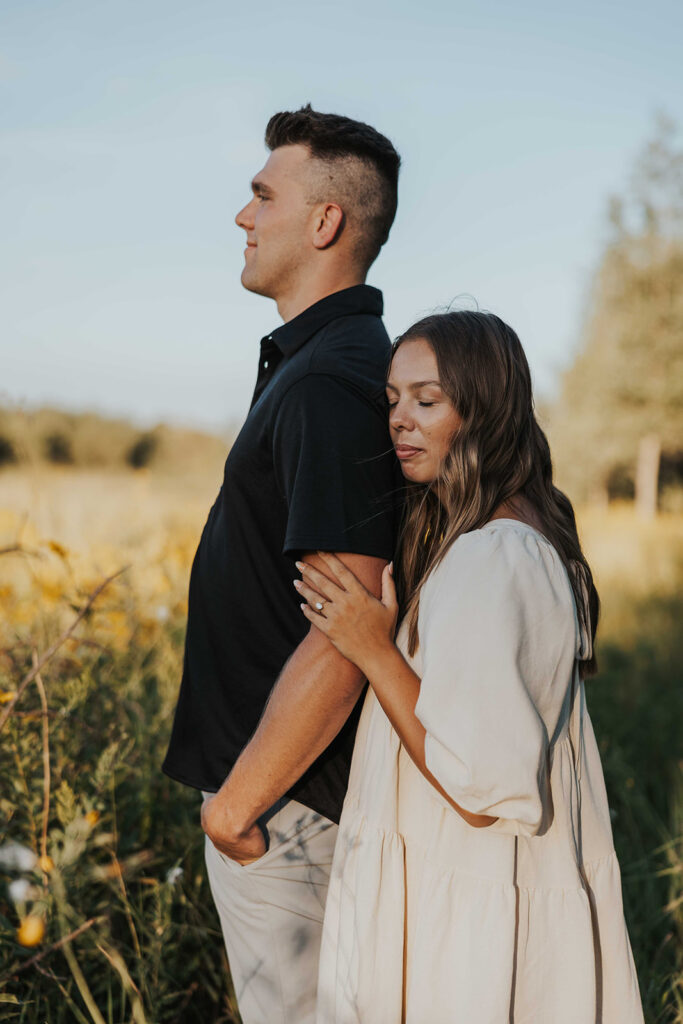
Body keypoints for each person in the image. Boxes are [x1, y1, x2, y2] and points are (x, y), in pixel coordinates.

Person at [294, 311, 644, 1023]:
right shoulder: (510, 537)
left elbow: (476, 792)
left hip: (463, 896)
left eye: (427, 400)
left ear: (483, 409)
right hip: (470, 883)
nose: (399, 420)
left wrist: (372, 649)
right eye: (392, 401)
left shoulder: (494, 557)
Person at [161, 106, 401, 1024]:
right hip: (282, 806)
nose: (242, 215)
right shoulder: (314, 365)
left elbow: (349, 621)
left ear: (325, 223)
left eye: (262, 193)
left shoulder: (332, 380)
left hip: (289, 811)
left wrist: (238, 811)